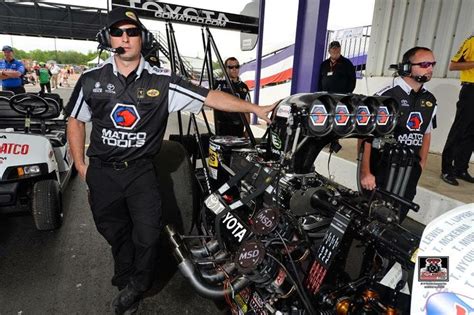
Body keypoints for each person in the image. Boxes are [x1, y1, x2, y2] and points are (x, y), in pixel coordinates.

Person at [65, 7, 275, 314]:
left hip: (140, 173)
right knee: (113, 231)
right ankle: (125, 276)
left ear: (142, 39)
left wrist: (254, 109)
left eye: (132, 32)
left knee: (148, 234)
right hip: (102, 173)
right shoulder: (90, 79)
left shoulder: (163, 81)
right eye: (118, 32)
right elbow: (75, 121)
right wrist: (82, 166)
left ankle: (136, 286)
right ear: (108, 38)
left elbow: (209, 97)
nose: (125, 38)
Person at [359, 47, 437, 221]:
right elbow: (366, 136)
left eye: (432, 64)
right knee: (371, 219)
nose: (430, 68)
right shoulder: (385, 96)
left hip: (410, 170)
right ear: (407, 67)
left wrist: (421, 165)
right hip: (381, 169)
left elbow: (427, 134)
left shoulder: (431, 100)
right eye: (424, 64)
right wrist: (365, 172)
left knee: (396, 219)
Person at [440, 35, 474, 186]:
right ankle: (447, 169)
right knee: (459, 130)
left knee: (472, 133)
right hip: (471, 90)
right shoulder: (471, 42)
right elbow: (454, 65)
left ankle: (461, 168)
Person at [213, 57, 250, 137]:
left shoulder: (243, 87)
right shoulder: (218, 84)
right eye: (231, 67)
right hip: (222, 127)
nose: (234, 69)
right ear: (225, 68)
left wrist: (247, 130)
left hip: (238, 127)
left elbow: (247, 109)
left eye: (237, 67)